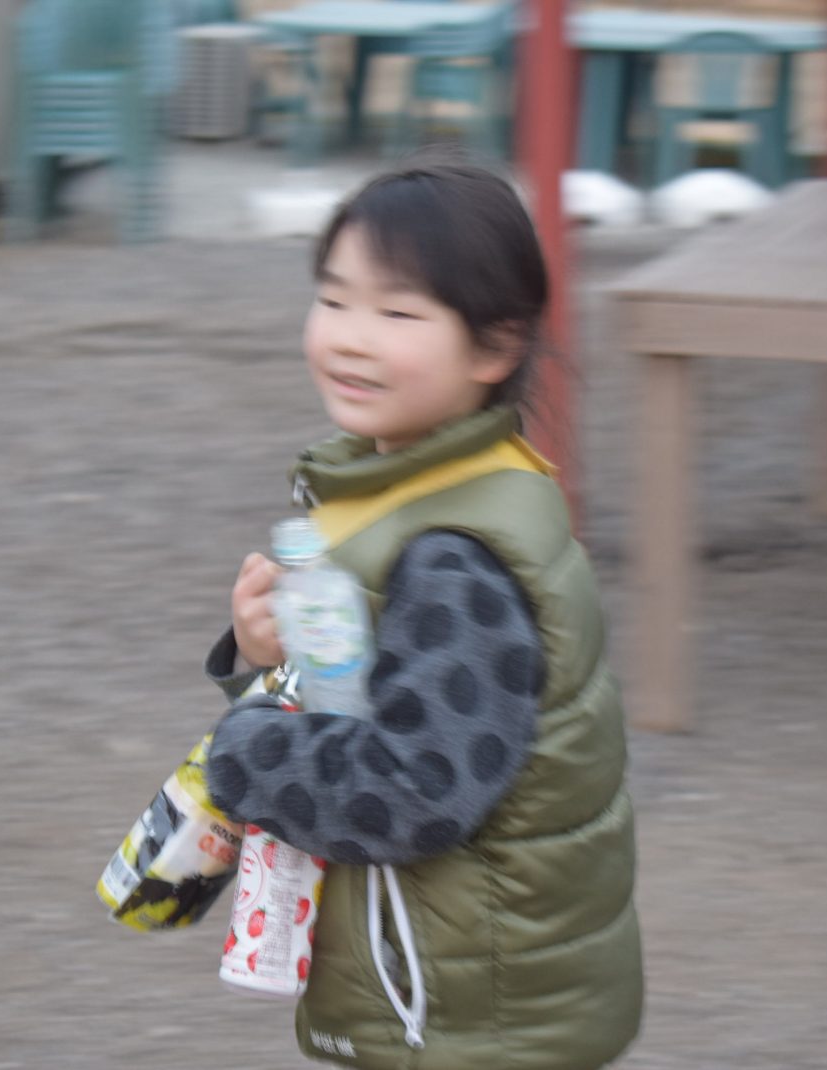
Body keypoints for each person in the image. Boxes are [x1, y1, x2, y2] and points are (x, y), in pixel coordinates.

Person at [202, 155, 644, 1069]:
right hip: (454, 981)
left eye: (398, 313)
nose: (350, 338)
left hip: (470, 1018)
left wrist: (246, 754)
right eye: (334, 299)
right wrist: (267, 655)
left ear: (495, 347)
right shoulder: (442, 489)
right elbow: (383, 698)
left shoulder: (455, 555)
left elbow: (417, 787)